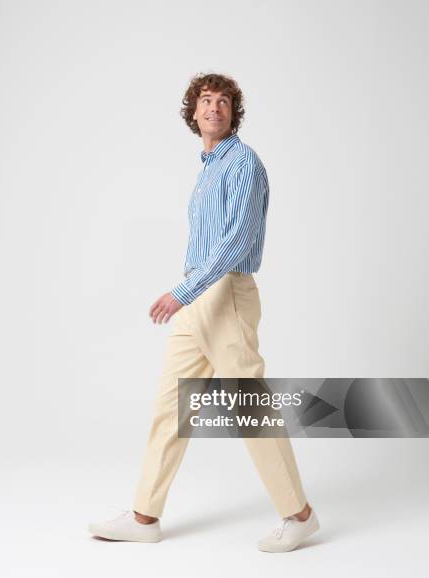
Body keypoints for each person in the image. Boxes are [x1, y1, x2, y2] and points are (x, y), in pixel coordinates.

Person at [88, 73, 320, 552]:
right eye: (205, 101)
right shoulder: (210, 167)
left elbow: (235, 241)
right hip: (198, 298)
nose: (214, 108)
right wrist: (189, 293)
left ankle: (299, 515)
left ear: (234, 114)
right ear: (192, 113)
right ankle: (145, 516)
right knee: (171, 406)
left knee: (251, 405)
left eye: (224, 102)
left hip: (223, 294)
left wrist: (183, 291)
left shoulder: (244, 164)